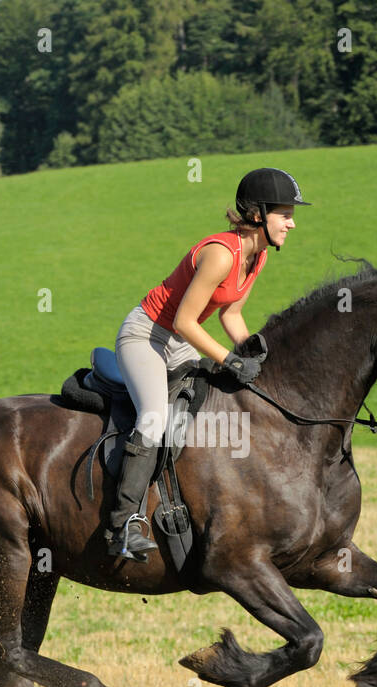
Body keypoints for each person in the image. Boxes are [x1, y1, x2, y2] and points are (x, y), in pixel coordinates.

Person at [105, 167, 312, 561]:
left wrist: (249, 349)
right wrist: (230, 361)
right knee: (152, 416)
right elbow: (183, 320)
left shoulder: (258, 257)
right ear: (257, 215)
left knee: (210, 408)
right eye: (284, 213)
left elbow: (229, 316)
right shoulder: (221, 254)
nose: (292, 223)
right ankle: (123, 524)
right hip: (146, 336)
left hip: (182, 341)